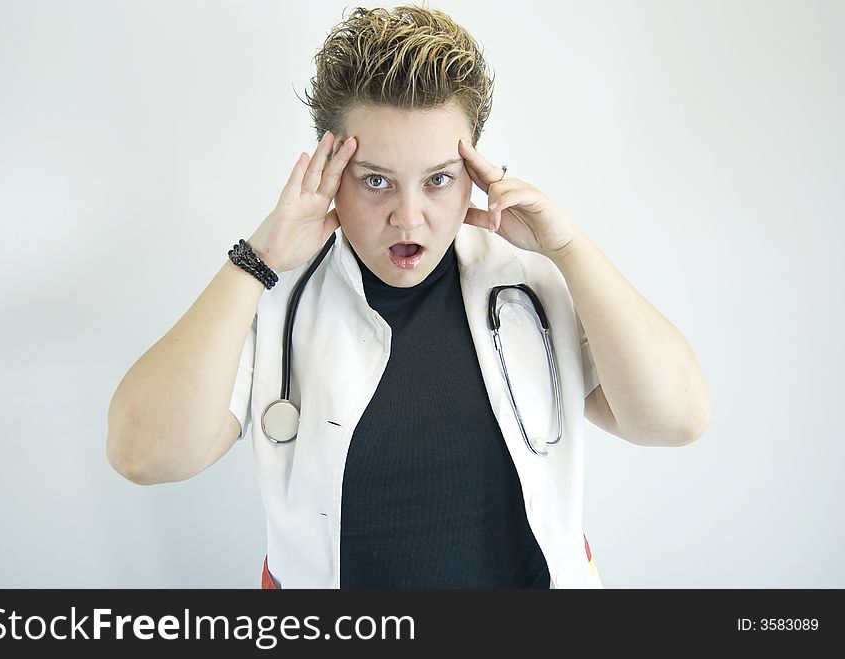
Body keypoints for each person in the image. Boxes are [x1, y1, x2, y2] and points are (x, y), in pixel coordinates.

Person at [106, 4, 712, 589]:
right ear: (328, 171)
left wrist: (570, 248)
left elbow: (676, 419)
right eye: (375, 181)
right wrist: (257, 261)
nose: (409, 217)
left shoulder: (532, 283)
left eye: (438, 180)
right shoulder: (273, 302)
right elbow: (143, 454)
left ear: (473, 172)